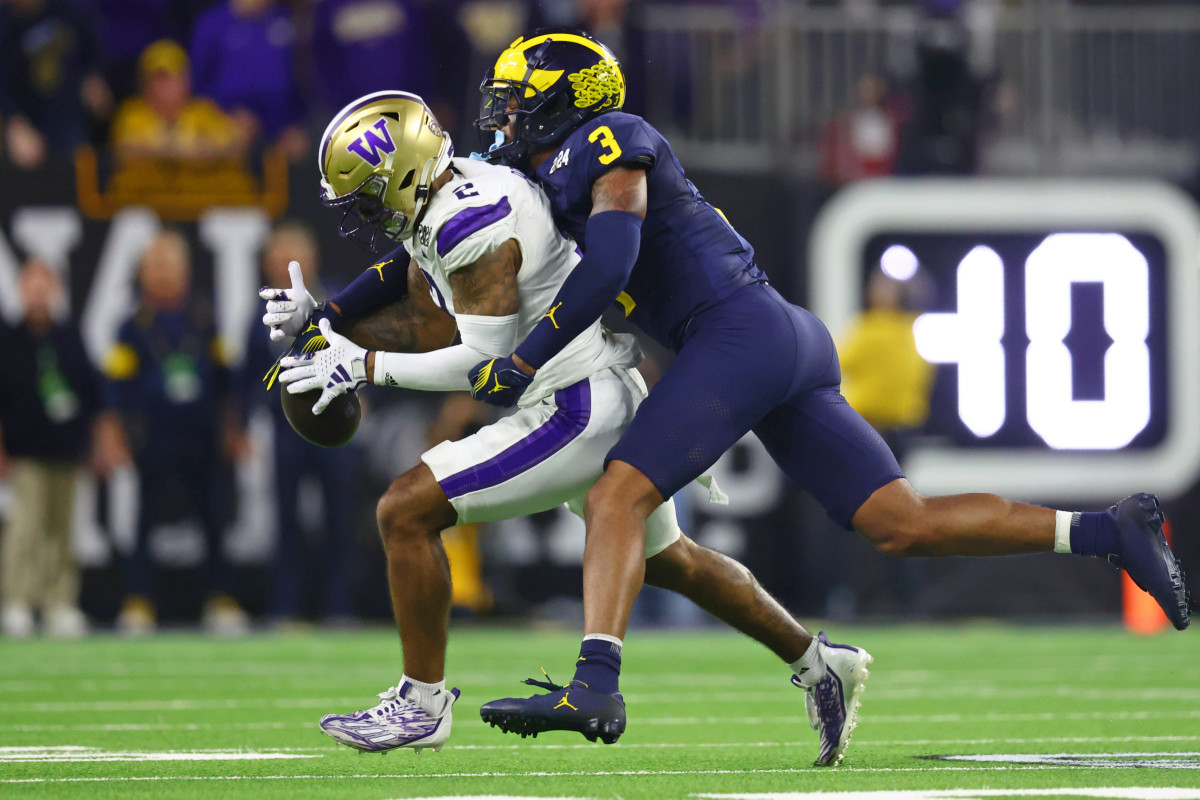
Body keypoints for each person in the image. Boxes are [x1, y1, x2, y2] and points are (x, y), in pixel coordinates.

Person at [465, 30, 1193, 761]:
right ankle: (1108, 530)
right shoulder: (543, 178)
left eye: (517, 99)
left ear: (570, 99)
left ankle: (595, 684)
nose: (504, 115)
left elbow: (616, 255)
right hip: (772, 333)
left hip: (737, 330)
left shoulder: (609, 138)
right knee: (900, 522)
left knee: (614, 499)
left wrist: (529, 357)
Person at [264, 92, 853, 760]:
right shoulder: (452, 192)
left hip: (572, 405)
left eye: (370, 193)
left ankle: (421, 703)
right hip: (588, 388)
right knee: (671, 563)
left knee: (405, 510)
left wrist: (364, 367)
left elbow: (483, 363)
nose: (365, 211)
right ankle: (818, 661)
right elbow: (409, 264)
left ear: (403, 172)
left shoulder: (469, 220)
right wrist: (326, 318)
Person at [103, 229, 249, 636]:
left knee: (214, 517)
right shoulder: (132, 326)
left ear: (184, 270)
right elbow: (115, 388)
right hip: (153, 437)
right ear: (143, 273)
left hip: (202, 436)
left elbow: (227, 380)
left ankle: (220, 599)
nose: (162, 273)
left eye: (168, 265)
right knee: (144, 520)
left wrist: (235, 427)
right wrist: (113, 433)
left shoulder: (204, 318)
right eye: (154, 266)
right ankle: (138, 601)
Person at [239, 221, 360, 624]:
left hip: (337, 425)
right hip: (286, 429)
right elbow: (250, 376)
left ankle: (339, 604)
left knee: (340, 519)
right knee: (286, 519)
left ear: (311, 259)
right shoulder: (262, 314)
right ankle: (286, 605)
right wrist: (245, 423)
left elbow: (367, 347)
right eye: (277, 256)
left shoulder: (341, 299)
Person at [0, 260, 107, 638]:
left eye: (45, 287)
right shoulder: (8, 337)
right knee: (24, 529)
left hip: (66, 449)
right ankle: (17, 602)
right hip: (25, 451)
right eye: (31, 287)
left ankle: (59, 602)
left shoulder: (69, 335)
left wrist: (94, 443)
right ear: (21, 291)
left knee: (62, 531)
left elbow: (91, 393)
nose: (38, 294)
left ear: (55, 291)